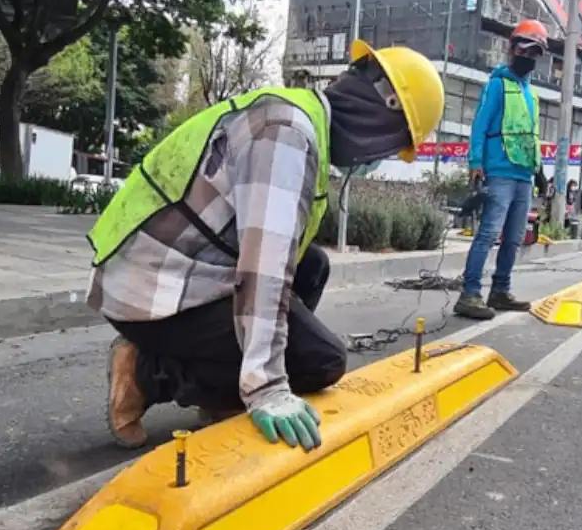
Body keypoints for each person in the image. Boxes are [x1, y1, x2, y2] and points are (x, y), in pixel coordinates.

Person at [86, 40, 444, 451]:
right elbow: (264, 270)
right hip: (151, 291)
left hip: (161, 268)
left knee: (312, 266)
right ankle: (148, 372)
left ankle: (218, 393)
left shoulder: (299, 119)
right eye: (389, 145)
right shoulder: (286, 134)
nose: (377, 158)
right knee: (321, 362)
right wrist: (268, 387)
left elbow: (281, 256)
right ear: (379, 118)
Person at [454, 19, 550, 320]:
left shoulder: (531, 94)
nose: (529, 57)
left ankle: (500, 290)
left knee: (514, 237)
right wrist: (475, 163)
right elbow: (480, 125)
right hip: (499, 170)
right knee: (489, 233)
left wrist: (540, 171)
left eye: (536, 53)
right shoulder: (497, 85)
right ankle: (469, 294)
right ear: (512, 49)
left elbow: (531, 134)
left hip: (523, 174)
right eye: (525, 49)